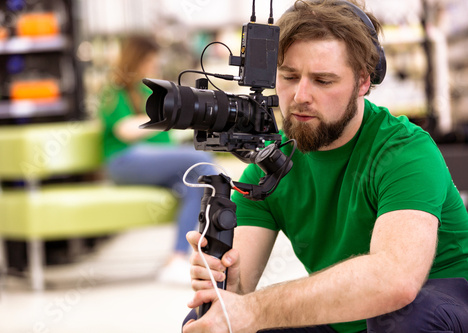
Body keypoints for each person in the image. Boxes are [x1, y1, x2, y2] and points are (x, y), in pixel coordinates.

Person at [183, 0, 468, 332]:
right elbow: (239, 290)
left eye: (323, 80)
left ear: (363, 82)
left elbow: (395, 281)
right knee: (207, 322)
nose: (301, 95)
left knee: (403, 317)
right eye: (289, 76)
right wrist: (223, 281)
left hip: (441, 304)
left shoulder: (404, 150)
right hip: (351, 318)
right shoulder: (268, 168)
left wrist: (255, 310)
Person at [98, 35, 215, 285]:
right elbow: (124, 130)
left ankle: (176, 259)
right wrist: (164, 119)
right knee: (201, 161)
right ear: (137, 59)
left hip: (151, 162)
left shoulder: (149, 90)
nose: (155, 64)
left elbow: (165, 139)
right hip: (125, 162)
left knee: (197, 182)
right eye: (150, 59)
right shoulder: (115, 89)